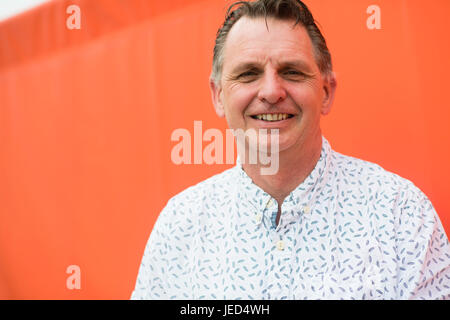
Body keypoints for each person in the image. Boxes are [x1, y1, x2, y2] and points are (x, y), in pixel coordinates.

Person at [131, 0, 450, 299]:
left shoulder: (402, 215)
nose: (271, 91)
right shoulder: (179, 227)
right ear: (218, 95)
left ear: (326, 91)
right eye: (248, 74)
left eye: (292, 72)